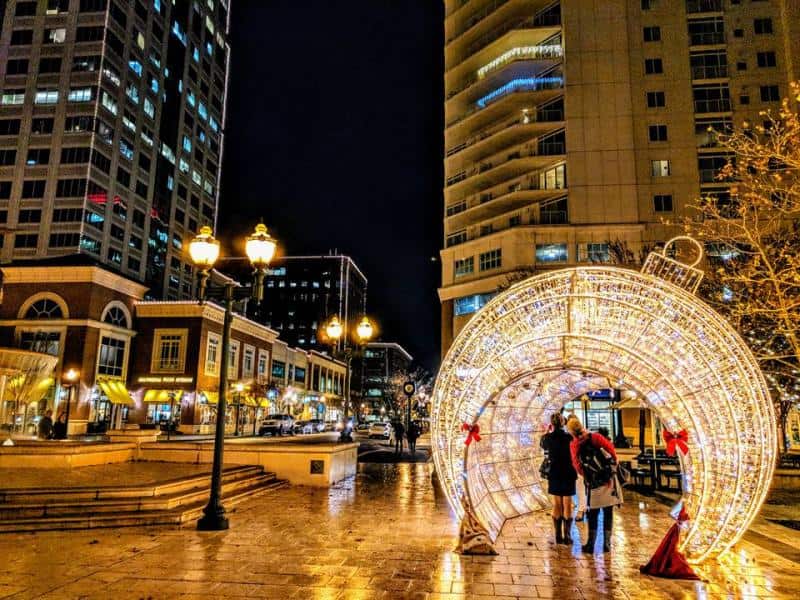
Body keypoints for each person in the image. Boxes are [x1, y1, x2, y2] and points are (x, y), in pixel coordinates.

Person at [567, 416, 621, 553]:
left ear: (571, 432)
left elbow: (578, 466)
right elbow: (612, 451)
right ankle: (606, 544)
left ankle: (590, 544)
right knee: (608, 513)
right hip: (608, 481)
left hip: (593, 483)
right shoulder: (596, 437)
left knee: (593, 514)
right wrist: (610, 469)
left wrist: (589, 475)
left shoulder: (574, 445)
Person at [540, 412, 578, 545]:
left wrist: (547, 431)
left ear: (552, 423)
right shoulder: (570, 437)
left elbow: (543, 446)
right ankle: (567, 536)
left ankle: (558, 536)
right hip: (568, 472)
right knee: (567, 503)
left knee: (557, 503)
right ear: (563, 423)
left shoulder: (547, 438)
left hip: (554, 472)